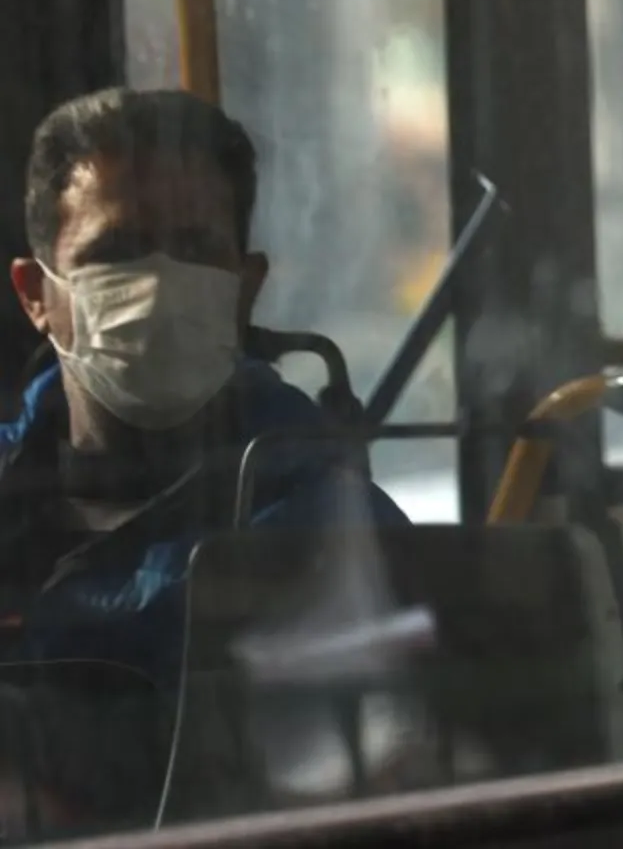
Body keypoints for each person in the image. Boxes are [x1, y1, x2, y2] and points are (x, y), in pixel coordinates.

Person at [0, 88, 407, 823]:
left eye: (193, 250)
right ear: (36, 293)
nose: (157, 286)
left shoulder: (330, 526)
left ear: (244, 287)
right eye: (117, 252)